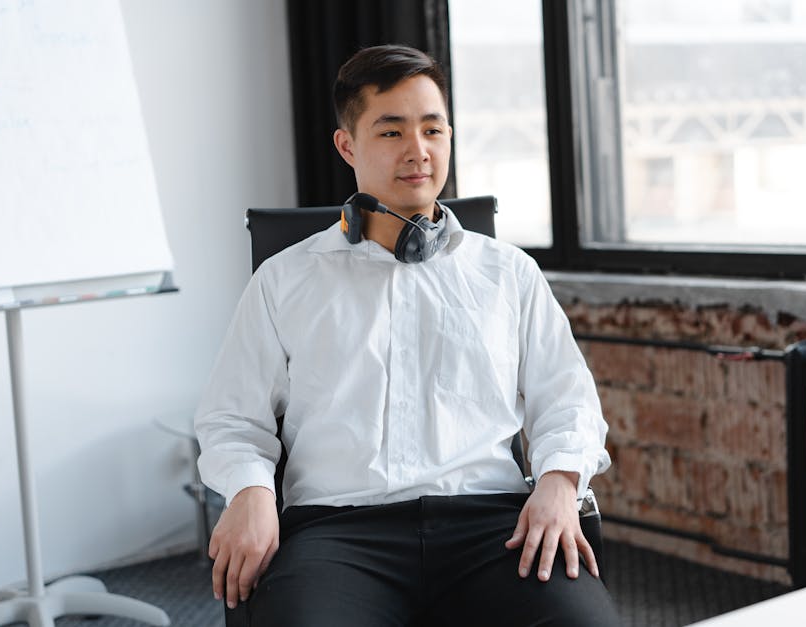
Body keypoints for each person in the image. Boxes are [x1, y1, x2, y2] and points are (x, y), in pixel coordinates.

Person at [194, 44, 620, 626]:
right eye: (391, 133)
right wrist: (250, 492)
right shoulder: (286, 279)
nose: (418, 152)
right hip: (338, 535)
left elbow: (567, 401)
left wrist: (559, 482)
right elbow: (232, 420)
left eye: (432, 130)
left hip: (492, 528)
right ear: (348, 146)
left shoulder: (508, 272)